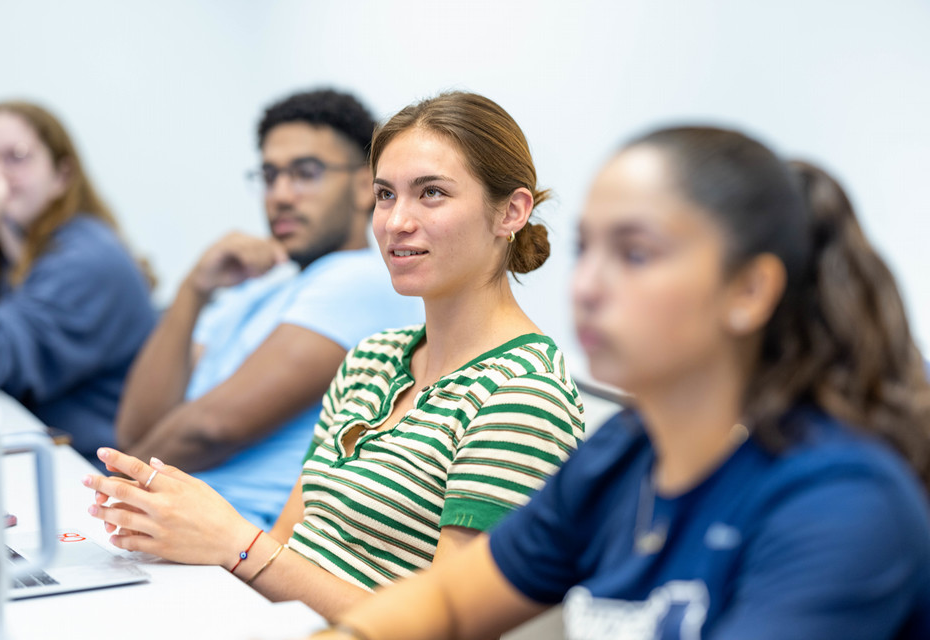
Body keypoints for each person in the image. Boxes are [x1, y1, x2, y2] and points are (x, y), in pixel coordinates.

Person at [312, 126, 930, 640]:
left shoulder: (840, 503)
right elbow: (447, 603)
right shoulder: (624, 453)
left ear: (749, 291)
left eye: (635, 254)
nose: (586, 287)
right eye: (587, 249)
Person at [83, 91, 585, 619]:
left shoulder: (524, 394)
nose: (396, 222)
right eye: (386, 195)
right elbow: (290, 541)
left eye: (431, 193)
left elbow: (444, 628)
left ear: (511, 211)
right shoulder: (373, 359)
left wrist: (234, 543)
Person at [113, 89, 423, 529]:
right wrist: (193, 289)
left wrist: (118, 482)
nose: (279, 195)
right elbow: (134, 428)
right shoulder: (259, 290)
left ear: (362, 186)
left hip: (239, 543)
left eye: (304, 173)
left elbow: (213, 428)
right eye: (270, 175)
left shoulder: (359, 280)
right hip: (172, 522)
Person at [0, 101, 156, 464]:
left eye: (17, 157)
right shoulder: (14, 257)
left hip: (92, 472)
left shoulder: (85, 260)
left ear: (62, 175)